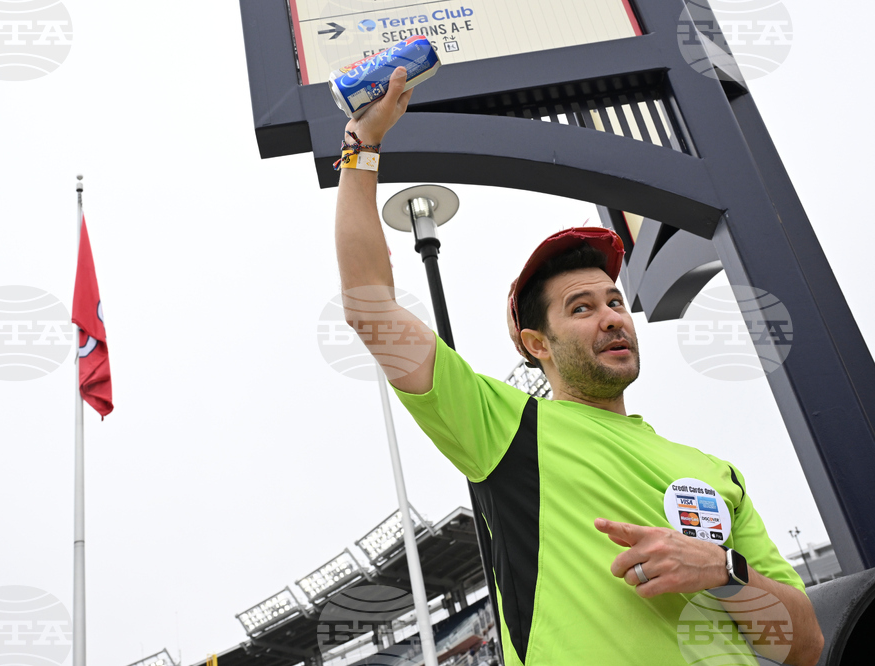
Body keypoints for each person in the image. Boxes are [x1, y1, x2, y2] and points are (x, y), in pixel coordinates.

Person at [334, 67, 824, 666]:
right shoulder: (505, 428)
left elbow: (802, 647)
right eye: (582, 308)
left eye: (615, 301)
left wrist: (722, 570)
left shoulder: (715, 473)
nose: (611, 317)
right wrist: (361, 150)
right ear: (537, 344)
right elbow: (370, 307)